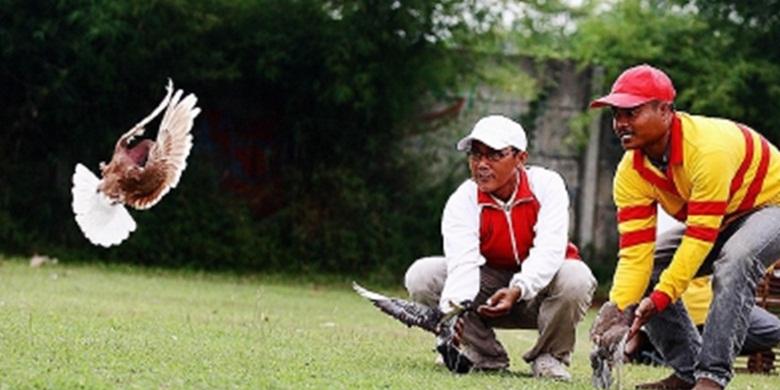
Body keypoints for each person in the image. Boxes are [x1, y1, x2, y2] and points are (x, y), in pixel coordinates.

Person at [590, 64, 780, 389]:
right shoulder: (630, 171)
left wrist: (662, 296)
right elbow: (636, 254)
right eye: (616, 114)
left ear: (665, 111)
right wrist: (620, 307)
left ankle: (711, 378)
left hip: (770, 204)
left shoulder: (706, 150)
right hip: (723, 218)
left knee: (737, 259)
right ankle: (687, 371)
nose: (621, 123)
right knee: (653, 266)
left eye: (631, 112)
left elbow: (700, 238)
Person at [403, 115, 597, 380]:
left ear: (520, 159)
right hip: (488, 291)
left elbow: (550, 250)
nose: (481, 165)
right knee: (422, 275)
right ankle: (482, 354)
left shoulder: (547, 185)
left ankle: (550, 357)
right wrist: (452, 313)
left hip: (539, 295)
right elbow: (463, 264)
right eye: (475, 155)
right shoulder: (463, 199)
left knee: (577, 276)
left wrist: (518, 289)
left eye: (494, 155)